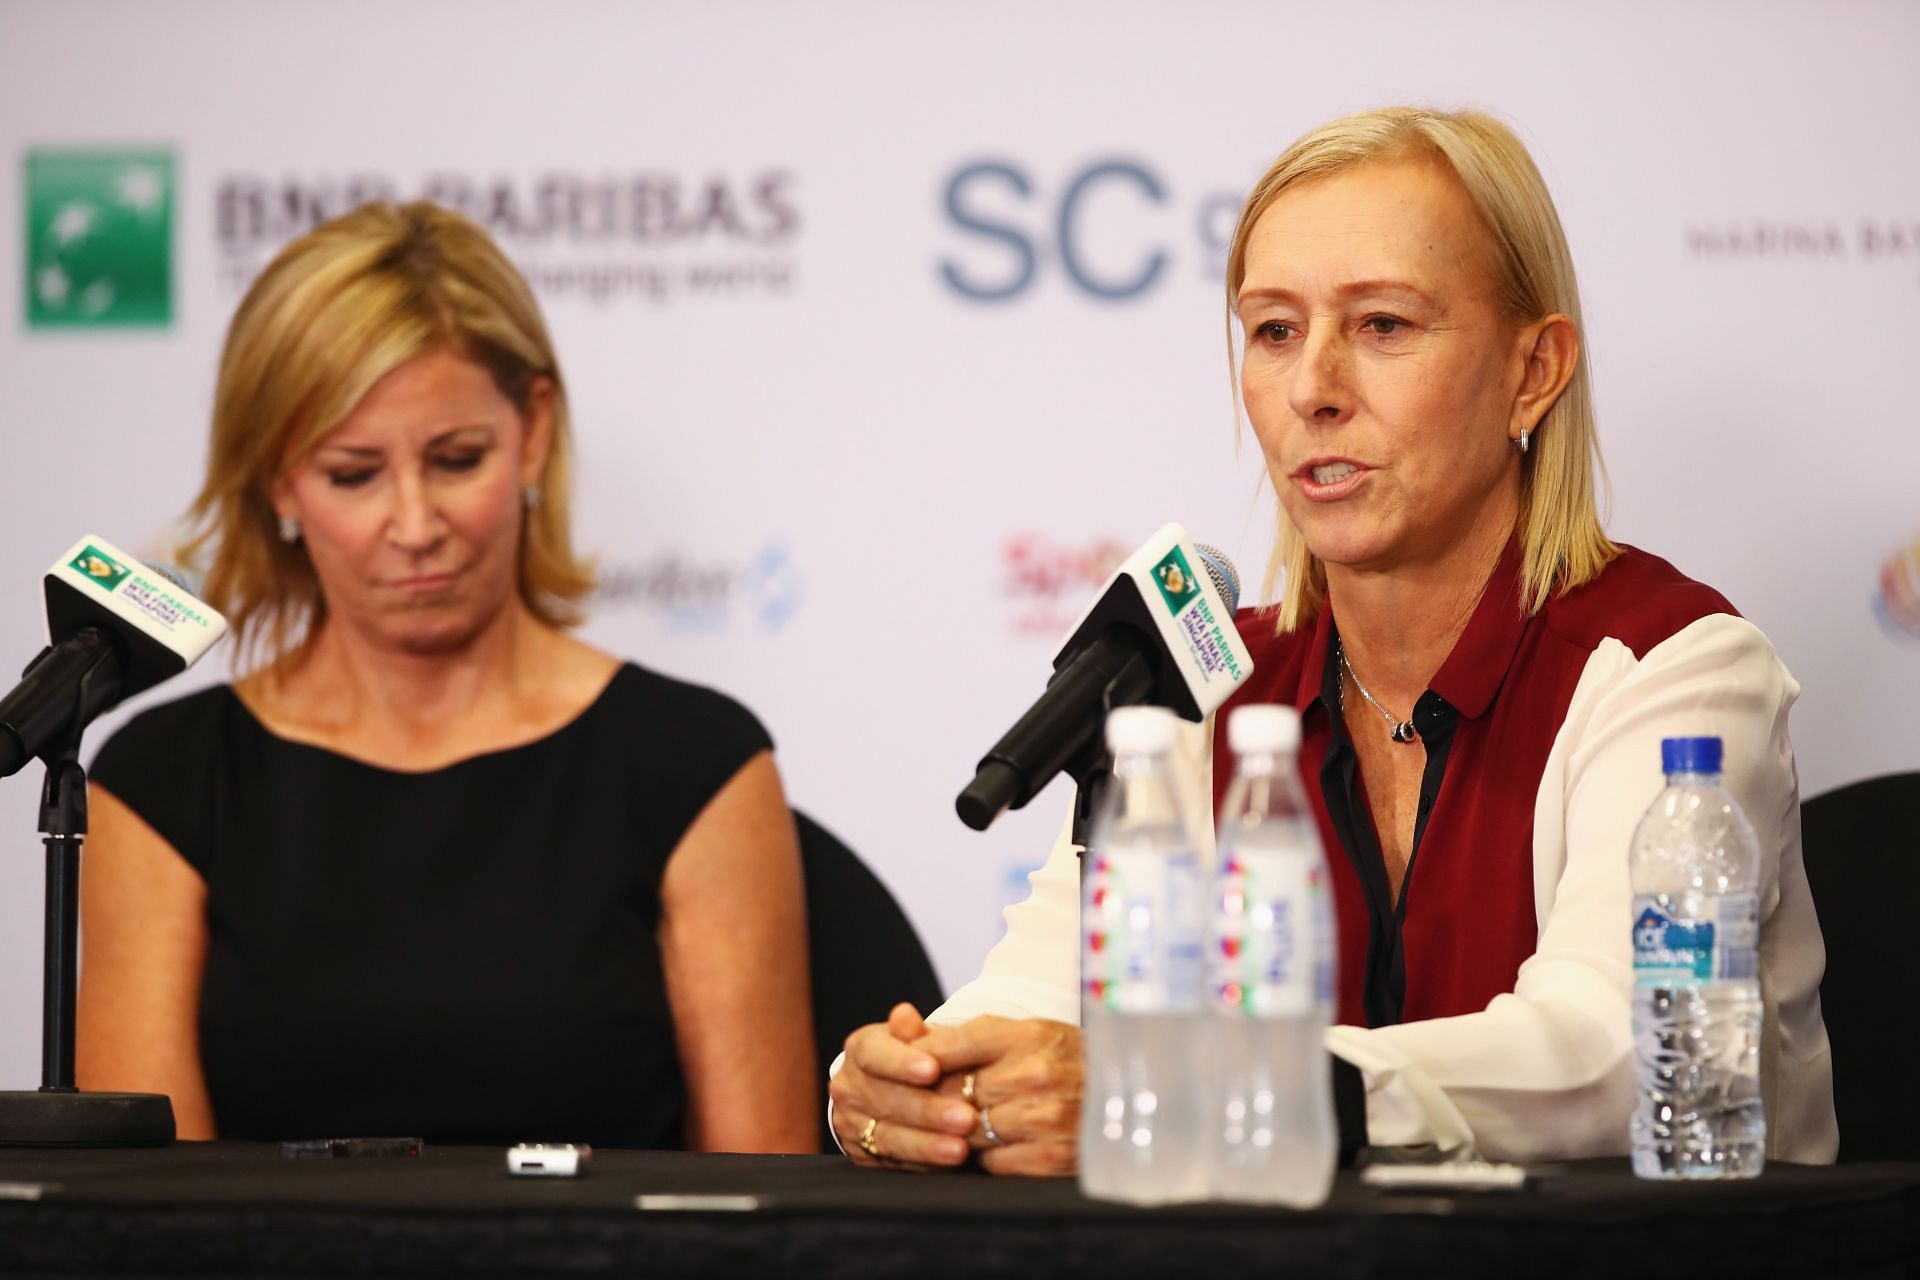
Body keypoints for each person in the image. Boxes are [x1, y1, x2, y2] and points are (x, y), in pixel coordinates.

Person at [829, 107, 1836, 1173]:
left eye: (1383, 325)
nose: (1312, 388)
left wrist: (1196, 1092)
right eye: (1274, 331)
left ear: (1533, 372)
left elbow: (1610, 1054)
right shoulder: (1202, 685)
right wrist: (922, 1081)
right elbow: (1035, 993)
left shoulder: (1672, 664)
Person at [75, 201, 818, 1151]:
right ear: (277, 481)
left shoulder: (697, 765)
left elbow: (759, 1212)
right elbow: (152, 1228)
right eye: (353, 474)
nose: (416, 523)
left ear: (533, 433)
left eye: (456, 460)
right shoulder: (164, 782)